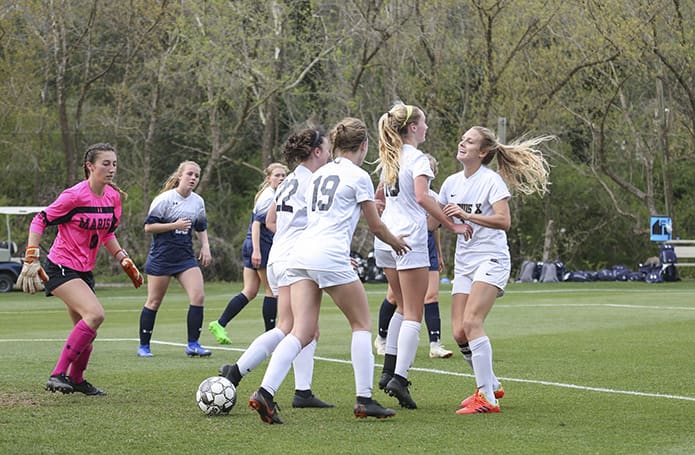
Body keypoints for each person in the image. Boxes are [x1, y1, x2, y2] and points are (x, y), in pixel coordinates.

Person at [248, 117, 410, 424]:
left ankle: (265, 393)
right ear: (363, 146)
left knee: (301, 331)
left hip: (301, 253)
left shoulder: (320, 174)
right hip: (328, 254)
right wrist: (396, 242)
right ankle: (364, 399)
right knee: (361, 324)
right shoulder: (359, 175)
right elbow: (375, 225)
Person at [440, 126, 551, 414]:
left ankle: (487, 397)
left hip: (491, 259)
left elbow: (504, 221)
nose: (462, 143)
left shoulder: (492, 182)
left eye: (470, 141)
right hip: (464, 264)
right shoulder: (450, 182)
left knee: (472, 322)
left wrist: (466, 215)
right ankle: (490, 382)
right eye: (463, 139)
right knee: (459, 332)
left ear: (483, 152)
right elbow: (434, 218)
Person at [219, 127, 333, 409]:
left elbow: (271, 221)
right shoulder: (313, 182)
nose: (330, 153)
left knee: (294, 327)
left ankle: (295, 390)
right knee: (297, 329)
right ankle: (268, 386)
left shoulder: (288, 182)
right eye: (328, 148)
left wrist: (290, 233)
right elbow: (320, 224)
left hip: (278, 256)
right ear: (317, 152)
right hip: (298, 260)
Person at [17, 142, 143, 395]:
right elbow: (40, 219)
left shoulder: (113, 197)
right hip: (61, 267)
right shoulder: (74, 196)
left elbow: (107, 233)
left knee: (88, 331)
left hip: (85, 271)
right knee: (95, 315)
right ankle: (57, 375)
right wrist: (32, 254)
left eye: (114, 164)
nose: (111, 169)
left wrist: (123, 259)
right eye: (105, 163)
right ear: (90, 166)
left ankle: (76, 379)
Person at [374, 103, 471, 410]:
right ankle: (400, 379)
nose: (427, 127)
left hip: (386, 239)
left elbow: (378, 198)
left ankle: (388, 369)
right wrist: (451, 223)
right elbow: (421, 196)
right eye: (424, 123)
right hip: (409, 239)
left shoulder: (390, 156)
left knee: (402, 306)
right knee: (414, 312)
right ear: (413, 127)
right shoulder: (416, 158)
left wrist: (385, 215)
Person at [373, 153, 453, 359]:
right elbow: (380, 199)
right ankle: (384, 341)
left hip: (425, 246)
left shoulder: (432, 197)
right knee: (399, 301)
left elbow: (433, 229)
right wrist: (452, 222)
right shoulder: (412, 193)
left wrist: (439, 253)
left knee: (431, 295)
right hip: (406, 241)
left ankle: (435, 344)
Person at [136, 161, 212, 357]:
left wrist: (205, 246)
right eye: (190, 174)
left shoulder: (198, 202)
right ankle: (144, 346)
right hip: (162, 256)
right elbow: (148, 227)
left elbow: (201, 226)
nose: (193, 178)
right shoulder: (165, 200)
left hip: (185, 257)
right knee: (153, 301)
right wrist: (173, 225)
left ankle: (193, 344)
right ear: (180, 176)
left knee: (198, 296)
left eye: (196, 175)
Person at [208, 163, 288, 344]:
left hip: (252, 245)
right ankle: (271, 336)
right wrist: (257, 250)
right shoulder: (268, 197)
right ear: (268, 178)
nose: (281, 178)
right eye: (277, 175)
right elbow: (257, 225)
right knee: (272, 291)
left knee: (250, 291)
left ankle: (220, 323)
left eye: (284, 175)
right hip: (260, 246)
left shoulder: (274, 195)